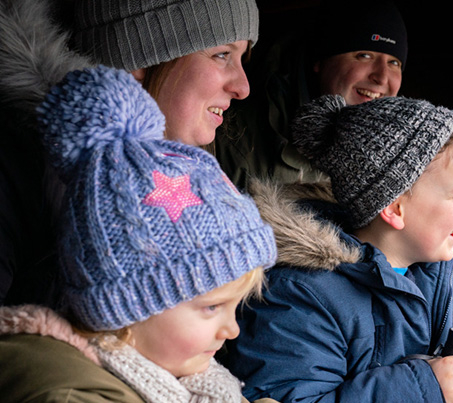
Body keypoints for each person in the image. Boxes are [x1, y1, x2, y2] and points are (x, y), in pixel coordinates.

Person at [221, 95, 453, 402]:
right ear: (395, 209)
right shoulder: (299, 297)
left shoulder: (426, 272)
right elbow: (294, 397)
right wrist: (425, 388)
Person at [0, 65, 278, 402]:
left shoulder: (190, 383)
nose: (231, 330)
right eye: (211, 307)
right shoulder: (72, 394)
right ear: (126, 311)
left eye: (233, 306)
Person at [0, 0, 259, 306]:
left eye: (242, 58)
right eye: (222, 55)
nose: (243, 87)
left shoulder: (197, 180)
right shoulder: (15, 166)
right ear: (141, 57)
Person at [215, 0, 408, 188]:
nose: (382, 78)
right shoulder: (241, 136)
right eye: (364, 56)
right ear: (321, 61)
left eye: (394, 63)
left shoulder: (406, 156)